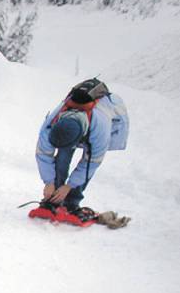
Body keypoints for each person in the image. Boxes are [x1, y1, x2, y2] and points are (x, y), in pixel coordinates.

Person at [35, 82, 129, 214]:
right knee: (62, 158)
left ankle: (71, 203)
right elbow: (43, 153)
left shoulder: (100, 128)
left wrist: (70, 186)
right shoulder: (52, 123)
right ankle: (53, 199)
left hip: (108, 122)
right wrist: (49, 182)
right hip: (75, 126)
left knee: (88, 161)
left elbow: (91, 162)